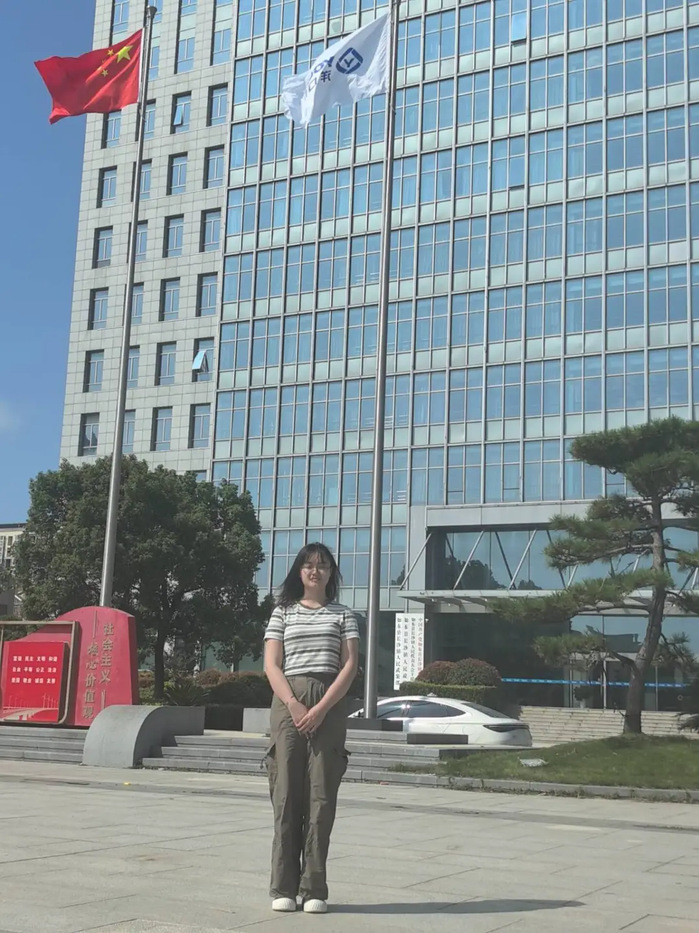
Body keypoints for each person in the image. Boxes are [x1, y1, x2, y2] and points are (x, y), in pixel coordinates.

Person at [263, 542, 359, 915]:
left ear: (331, 572)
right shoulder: (282, 612)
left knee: (321, 797)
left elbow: (349, 666)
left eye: (322, 565)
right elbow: (272, 665)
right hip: (288, 701)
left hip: (329, 705)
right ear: (299, 572)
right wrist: (293, 703)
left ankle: (314, 887)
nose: (314, 571)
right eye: (308, 565)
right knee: (286, 794)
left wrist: (321, 708)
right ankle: (283, 887)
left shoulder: (344, 615)